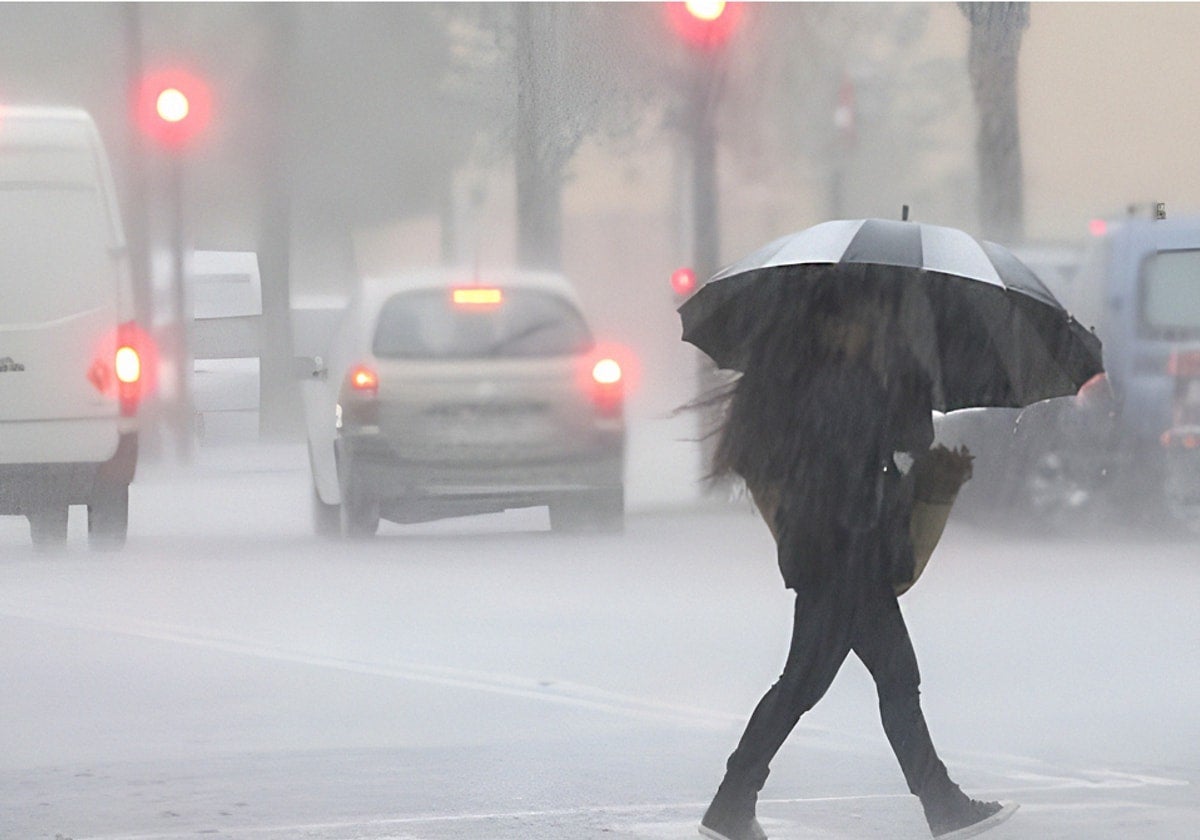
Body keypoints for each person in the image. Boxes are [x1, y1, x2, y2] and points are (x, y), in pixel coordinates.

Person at [698, 280, 1017, 840]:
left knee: (885, 681)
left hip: (844, 555)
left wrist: (897, 373)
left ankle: (938, 803)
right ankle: (733, 801)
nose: (866, 329)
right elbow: (895, 443)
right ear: (831, 327)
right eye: (861, 320)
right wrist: (905, 376)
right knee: (813, 684)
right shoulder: (842, 386)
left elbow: (888, 452)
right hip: (842, 556)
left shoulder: (829, 383)